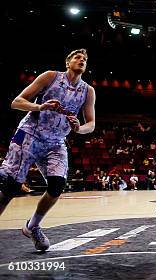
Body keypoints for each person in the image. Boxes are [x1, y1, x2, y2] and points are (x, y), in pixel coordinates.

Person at [0, 49, 96, 251]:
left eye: (85, 59)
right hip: (29, 135)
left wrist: (79, 128)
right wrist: (40, 107)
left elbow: (92, 124)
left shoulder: (88, 91)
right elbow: (17, 102)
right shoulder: (50, 76)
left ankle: (32, 226)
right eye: (77, 57)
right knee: (9, 187)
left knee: (57, 186)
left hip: (55, 142)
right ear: (68, 62)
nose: (82, 60)